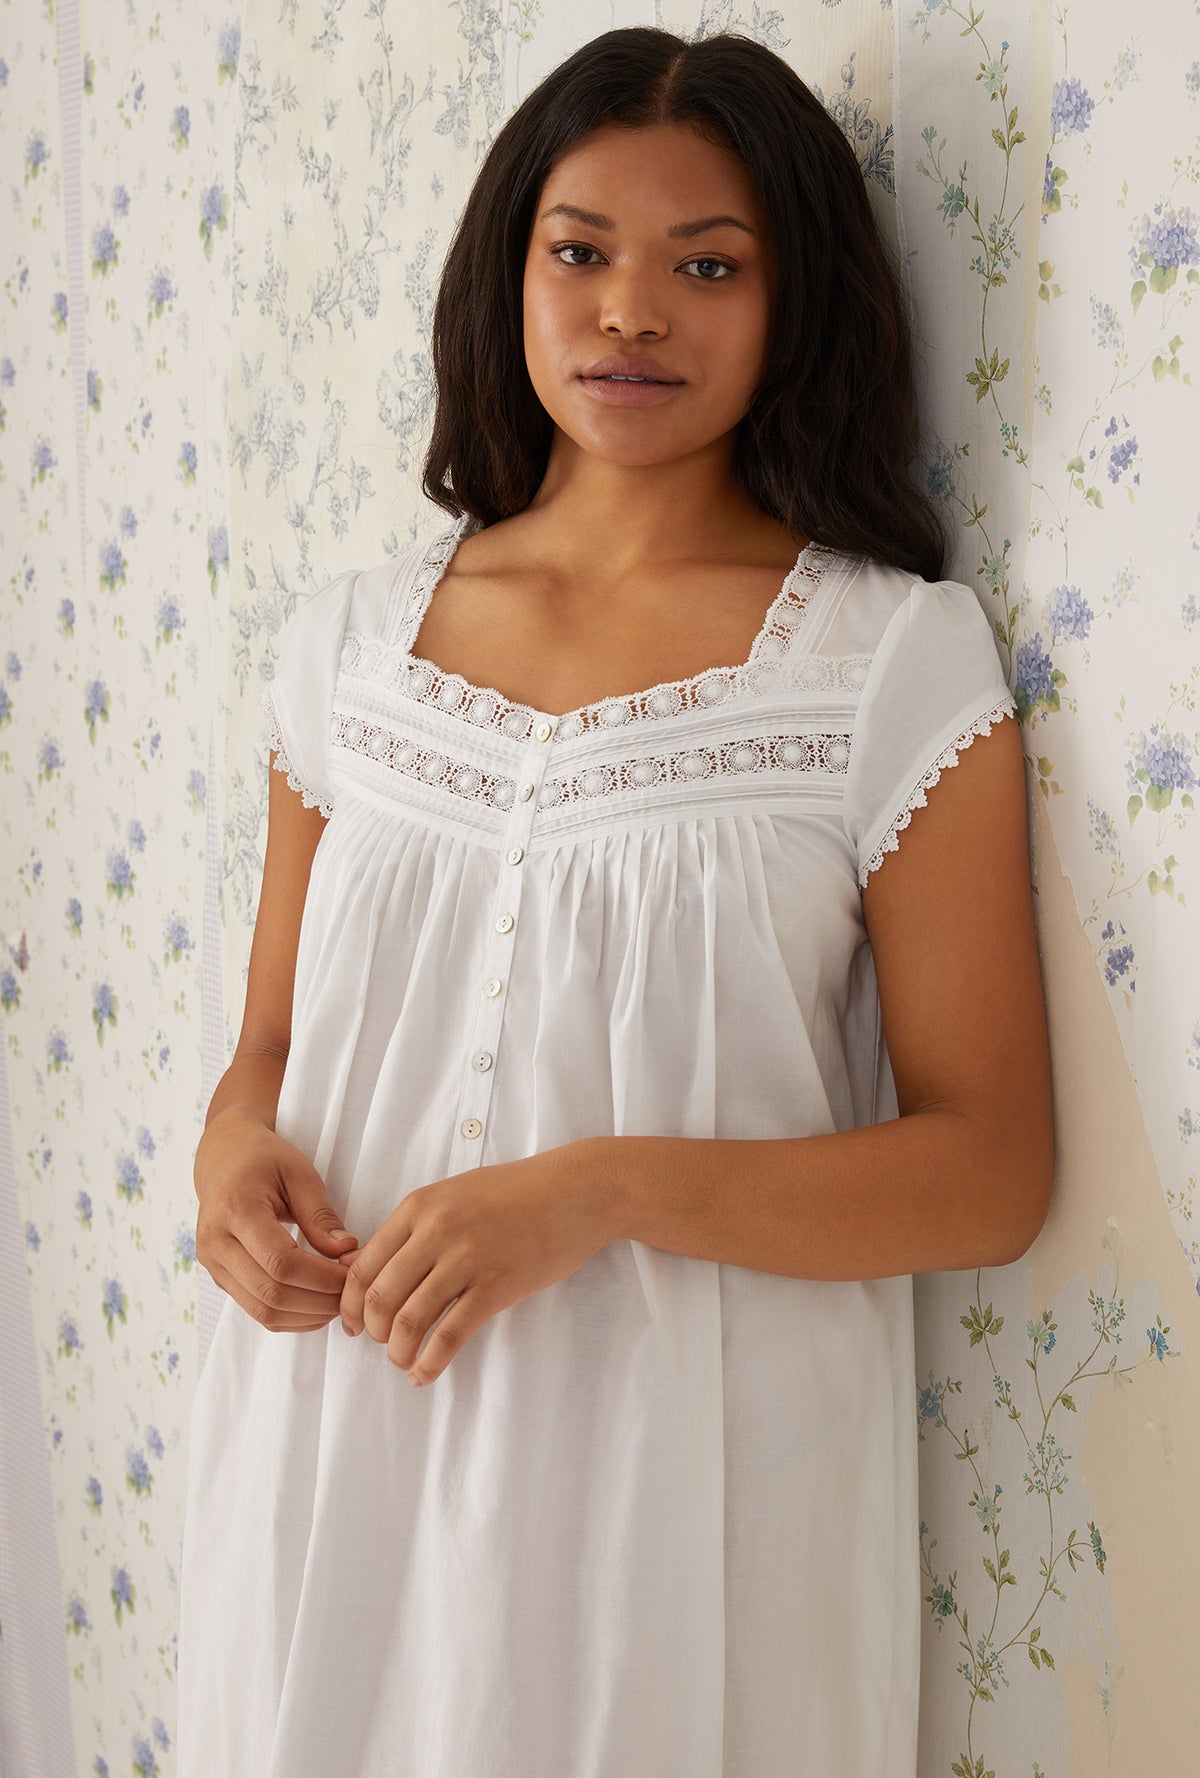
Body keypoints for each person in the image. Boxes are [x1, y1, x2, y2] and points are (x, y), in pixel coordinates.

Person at [178, 24, 1053, 1778]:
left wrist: (598, 1191)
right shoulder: (348, 650)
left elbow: (990, 1171)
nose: (631, 310)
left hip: (683, 1511)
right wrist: (227, 1161)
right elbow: (268, 1046)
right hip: (341, 1448)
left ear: (793, 300)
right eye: (579, 250)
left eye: (706, 265)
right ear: (509, 270)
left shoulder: (887, 661)